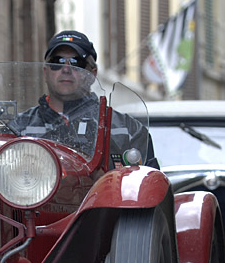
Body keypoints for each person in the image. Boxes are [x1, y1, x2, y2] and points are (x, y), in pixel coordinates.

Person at [9, 31, 157, 167]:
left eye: (76, 63)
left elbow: (148, 188)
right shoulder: (17, 128)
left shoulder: (128, 130)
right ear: (46, 72)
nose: (66, 69)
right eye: (57, 62)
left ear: (93, 74)